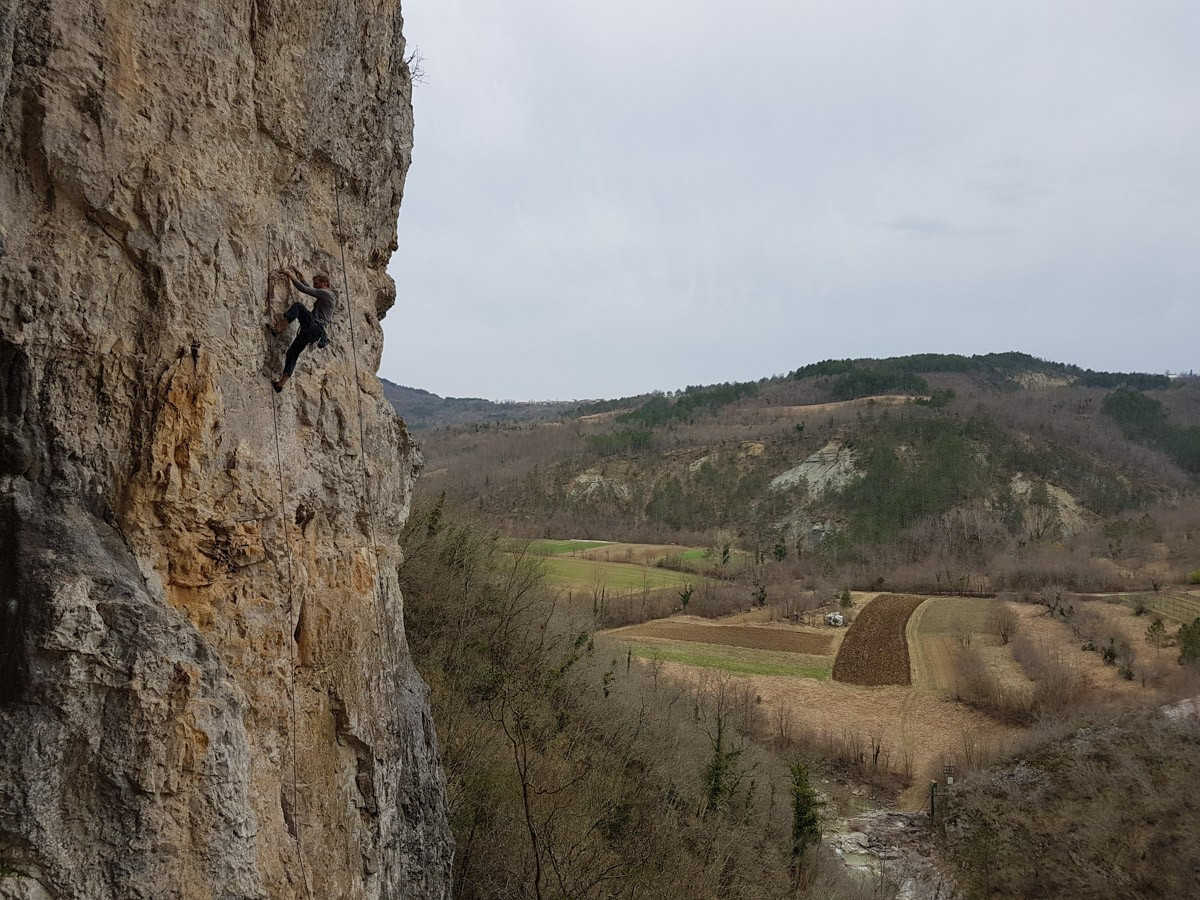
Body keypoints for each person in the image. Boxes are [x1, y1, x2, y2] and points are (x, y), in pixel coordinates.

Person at [267, 267, 337, 392]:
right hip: (315, 332)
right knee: (292, 353)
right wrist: (302, 278)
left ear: (325, 284)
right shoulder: (327, 295)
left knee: (298, 307)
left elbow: (304, 289)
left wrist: (290, 274)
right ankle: (280, 384)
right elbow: (312, 290)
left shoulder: (327, 294)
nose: (316, 287)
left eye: (317, 284)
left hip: (314, 326)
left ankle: (278, 328)